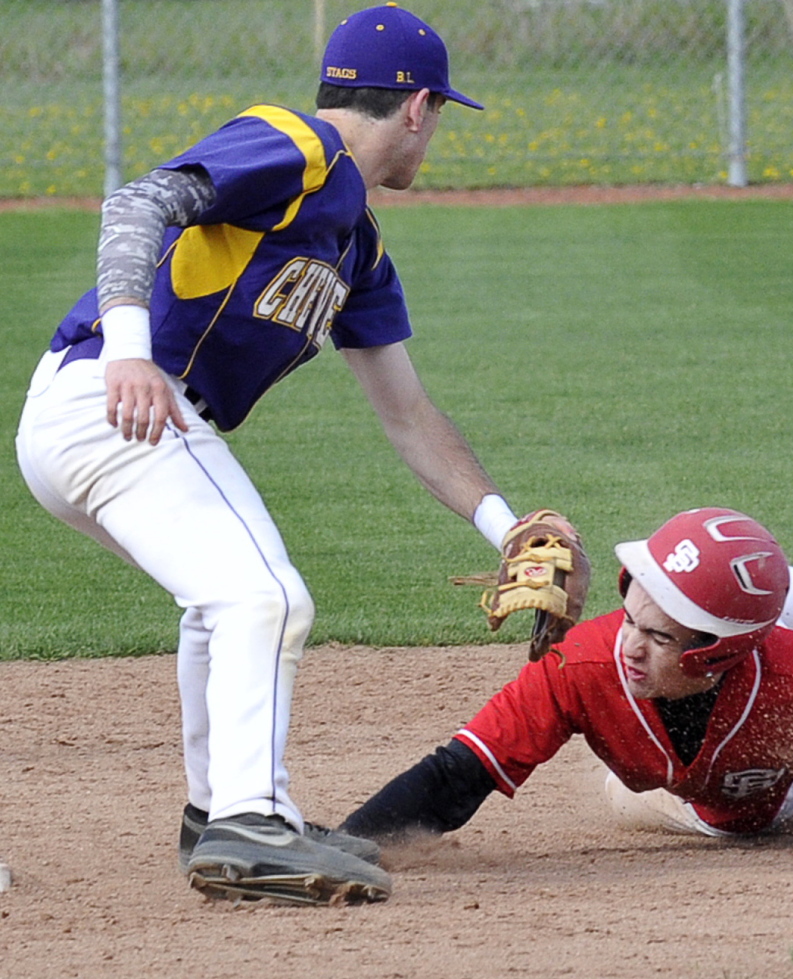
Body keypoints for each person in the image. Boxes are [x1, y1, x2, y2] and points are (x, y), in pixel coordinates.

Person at [14, 4, 583, 906]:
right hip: (112, 398)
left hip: (117, 419)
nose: (433, 135)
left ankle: (224, 816)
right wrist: (128, 345)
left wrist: (508, 529)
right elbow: (139, 202)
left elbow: (408, 416)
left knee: (224, 602)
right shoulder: (294, 145)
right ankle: (251, 827)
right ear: (416, 106)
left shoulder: (356, 246)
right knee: (265, 595)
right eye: (437, 115)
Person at [339, 507, 793, 846]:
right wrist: (346, 843)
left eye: (659, 635)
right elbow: (458, 773)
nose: (630, 645)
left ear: (716, 654)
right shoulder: (584, 668)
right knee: (622, 799)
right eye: (632, 617)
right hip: (682, 798)